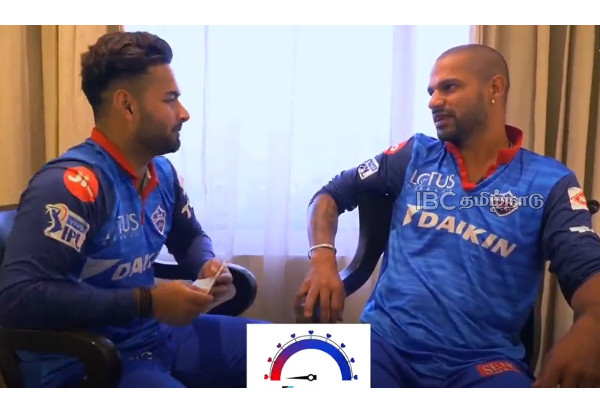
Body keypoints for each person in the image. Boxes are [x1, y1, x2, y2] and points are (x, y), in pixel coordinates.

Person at [295, 44, 600, 388]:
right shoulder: (414, 155)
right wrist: (322, 258)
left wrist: (593, 324)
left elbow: (585, 262)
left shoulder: (550, 181)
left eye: (449, 87)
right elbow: (330, 195)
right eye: (431, 91)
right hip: (383, 346)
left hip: (484, 364)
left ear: (495, 88)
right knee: (276, 366)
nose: (433, 101)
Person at [0, 31, 258, 388]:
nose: (184, 113)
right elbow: (18, 298)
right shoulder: (70, 185)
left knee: (304, 354)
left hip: (156, 337)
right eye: (170, 99)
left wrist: (205, 265)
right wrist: (146, 302)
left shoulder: (161, 173)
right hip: (88, 364)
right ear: (128, 106)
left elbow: (189, 237)